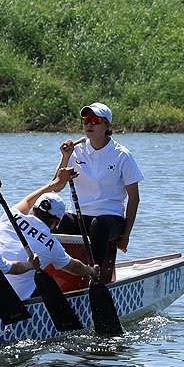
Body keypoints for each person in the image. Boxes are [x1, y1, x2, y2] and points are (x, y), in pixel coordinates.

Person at [54, 102, 143, 278]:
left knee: (99, 225)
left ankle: (96, 277)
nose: (89, 125)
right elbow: (57, 186)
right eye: (86, 120)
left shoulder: (121, 154)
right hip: (80, 217)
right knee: (55, 219)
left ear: (107, 125)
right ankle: (56, 276)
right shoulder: (75, 151)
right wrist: (65, 157)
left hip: (111, 220)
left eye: (95, 120)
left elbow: (134, 198)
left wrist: (125, 236)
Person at [0, 169, 98, 300]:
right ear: (56, 223)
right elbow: (74, 267)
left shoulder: (10, 216)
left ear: (34, 209)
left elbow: (27, 201)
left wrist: (55, 184)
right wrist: (92, 271)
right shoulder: (52, 246)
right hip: (14, 305)